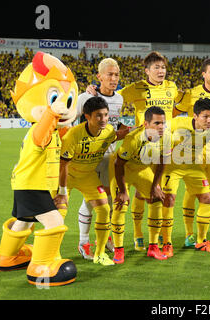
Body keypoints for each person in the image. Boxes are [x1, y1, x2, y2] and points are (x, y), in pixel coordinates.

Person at [0, 52, 78, 286]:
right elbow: (43, 133)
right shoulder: (37, 131)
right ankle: (41, 266)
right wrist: (52, 112)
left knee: (24, 220)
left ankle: (6, 256)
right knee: (55, 224)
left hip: (27, 184)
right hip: (31, 186)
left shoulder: (53, 133)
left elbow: (60, 137)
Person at [88, 51, 181, 251]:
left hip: (165, 147)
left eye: (163, 67)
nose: (161, 71)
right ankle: (138, 235)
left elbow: (186, 102)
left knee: (166, 195)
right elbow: (110, 96)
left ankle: (166, 241)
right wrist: (92, 91)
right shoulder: (136, 88)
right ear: (147, 71)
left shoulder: (172, 87)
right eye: (156, 67)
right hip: (141, 150)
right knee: (139, 194)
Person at [54, 96, 121, 266]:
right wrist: (61, 192)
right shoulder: (73, 135)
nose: (104, 119)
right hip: (67, 177)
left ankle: (98, 253)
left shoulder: (109, 131)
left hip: (88, 176)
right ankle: (52, 255)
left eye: (106, 115)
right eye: (98, 115)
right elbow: (63, 166)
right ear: (87, 116)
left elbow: (115, 136)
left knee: (105, 209)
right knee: (58, 215)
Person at [173, 58, 210, 246]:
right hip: (193, 150)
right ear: (203, 74)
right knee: (192, 191)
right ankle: (190, 234)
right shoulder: (191, 94)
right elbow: (172, 114)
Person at [75, 58, 125, 260]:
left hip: (109, 157)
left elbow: (113, 123)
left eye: (117, 75)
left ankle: (105, 238)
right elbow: (74, 121)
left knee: (110, 200)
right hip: (88, 157)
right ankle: (83, 242)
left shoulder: (120, 99)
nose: (114, 78)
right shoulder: (85, 98)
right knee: (93, 199)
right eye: (110, 74)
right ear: (99, 77)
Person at [161, 98, 210, 256]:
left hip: (194, 165)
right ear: (195, 116)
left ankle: (201, 241)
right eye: (205, 117)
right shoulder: (178, 123)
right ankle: (166, 242)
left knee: (206, 198)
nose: (209, 121)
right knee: (169, 199)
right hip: (172, 166)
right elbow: (161, 129)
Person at [110, 106, 170, 263]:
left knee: (157, 199)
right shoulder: (133, 139)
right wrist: (123, 191)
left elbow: (162, 164)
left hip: (142, 169)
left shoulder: (165, 137)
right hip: (122, 170)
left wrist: (155, 186)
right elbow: (118, 164)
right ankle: (118, 250)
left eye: (163, 123)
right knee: (120, 204)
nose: (161, 127)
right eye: (157, 123)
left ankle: (153, 247)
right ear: (146, 124)